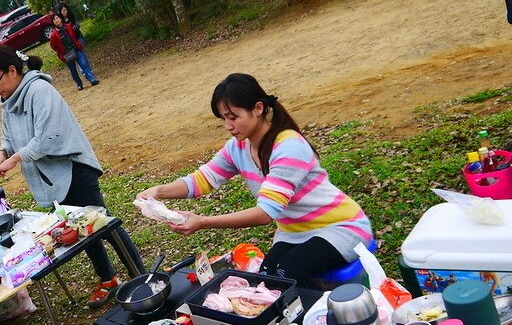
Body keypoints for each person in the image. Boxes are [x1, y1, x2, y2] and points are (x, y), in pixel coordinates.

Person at [137, 74, 374, 290]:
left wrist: (202, 221)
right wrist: (159, 191)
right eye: (223, 119)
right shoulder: (238, 147)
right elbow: (202, 180)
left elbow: (265, 214)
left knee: (284, 276)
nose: (228, 126)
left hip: (340, 228)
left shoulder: (288, 146)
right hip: (294, 232)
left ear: (258, 108)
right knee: (267, 278)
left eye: (233, 117)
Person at [0, 44, 144, 307]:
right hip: (51, 175)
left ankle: (142, 277)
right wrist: (2, 152)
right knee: (80, 228)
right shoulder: (7, 102)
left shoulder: (40, 90)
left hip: (73, 168)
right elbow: (7, 136)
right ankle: (108, 279)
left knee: (103, 224)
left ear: (12, 70)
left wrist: (15, 158)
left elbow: (47, 139)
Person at [49, 13, 98, 91]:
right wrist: (61, 53)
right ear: (53, 22)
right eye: (54, 19)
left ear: (60, 18)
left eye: (57, 18)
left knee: (84, 64)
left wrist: (78, 44)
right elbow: (53, 45)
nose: (56, 20)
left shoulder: (68, 26)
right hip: (67, 54)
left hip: (76, 49)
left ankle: (92, 79)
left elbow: (74, 36)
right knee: (73, 71)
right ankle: (79, 84)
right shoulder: (54, 34)